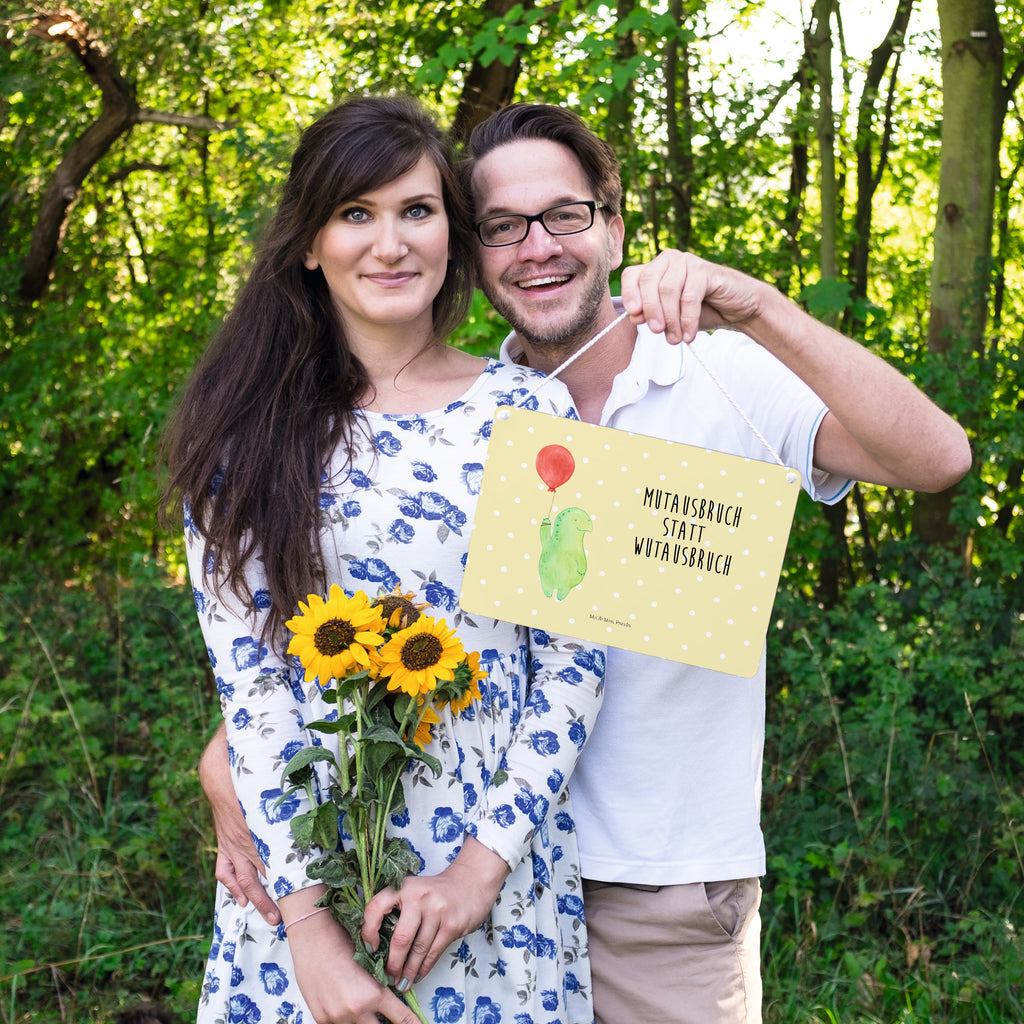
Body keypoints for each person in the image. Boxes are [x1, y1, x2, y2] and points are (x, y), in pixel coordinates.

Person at [202, 102, 972, 1024]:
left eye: (565, 215)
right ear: (474, 250)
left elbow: (938, 461)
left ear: (612, 225)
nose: (537, 247)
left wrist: (759, 306)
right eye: (502, 226)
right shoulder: (463, 415)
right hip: (428, 876)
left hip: (652, 887)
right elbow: (329, 635)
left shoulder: (711, 373)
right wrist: (234, 770)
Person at [163, 96, 609, 1024]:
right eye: (355, 214)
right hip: (303, 883)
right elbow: (253, 692)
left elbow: (573, 661)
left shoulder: (535, 415)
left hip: (492, 886)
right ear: (308, 244)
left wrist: (478, 873)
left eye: (417, 210)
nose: (390, 243)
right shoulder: (243, 438)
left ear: (452, 229)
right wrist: (311, 937)